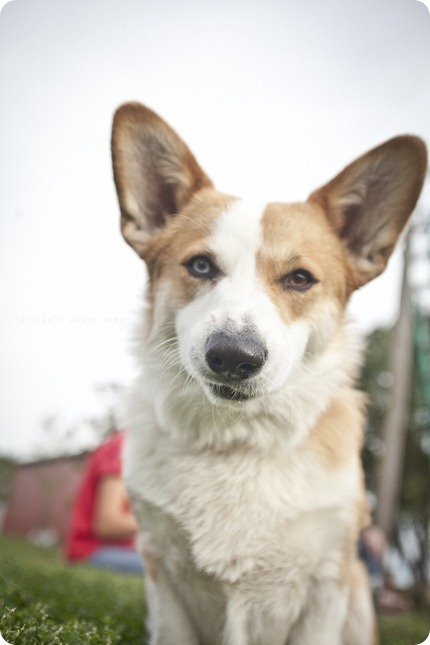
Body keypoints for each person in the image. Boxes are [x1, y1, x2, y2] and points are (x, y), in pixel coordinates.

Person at [65, 430, 144, 574]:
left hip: (122, 550)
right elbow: (107, 523)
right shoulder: (125, 446)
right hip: (93, 551)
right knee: (180, 571)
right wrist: (164, 523)